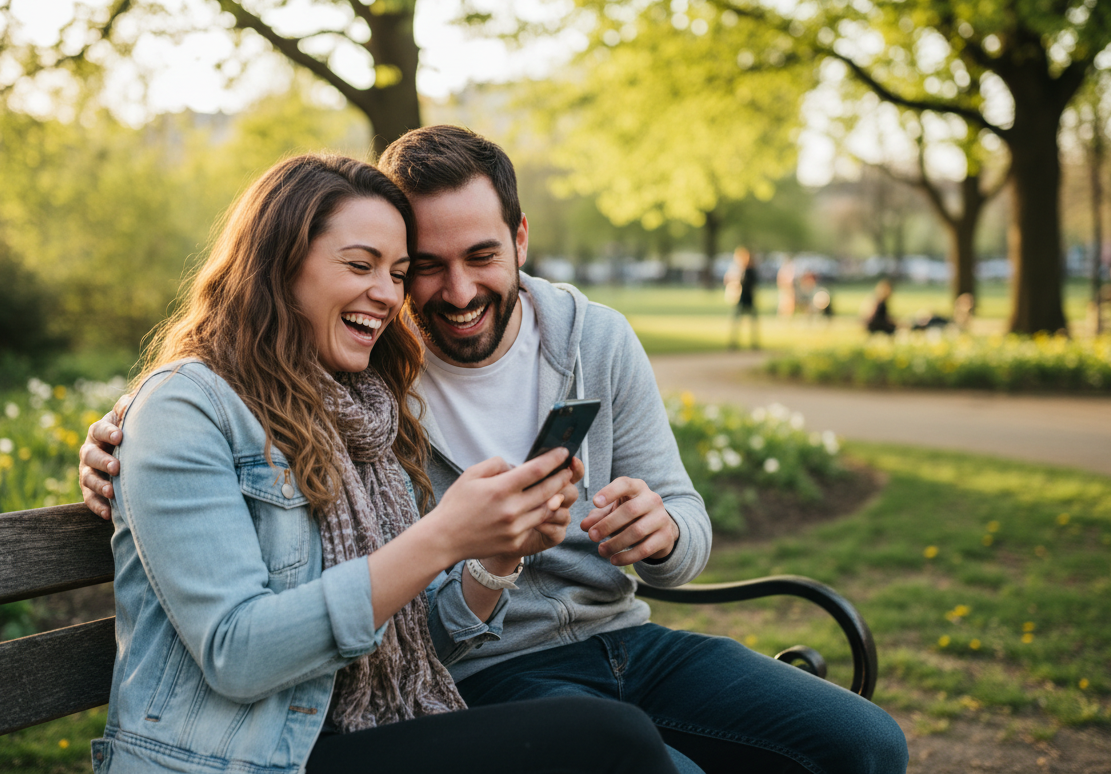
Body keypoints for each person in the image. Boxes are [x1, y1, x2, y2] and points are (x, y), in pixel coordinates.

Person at [82, 128, 908, 774]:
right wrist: (130, 422)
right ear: (284, 264)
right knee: (638, 755)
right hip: (482, 674)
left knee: (865, 748)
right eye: (417, 269)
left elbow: (681, 526)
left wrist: (657, 535)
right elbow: (221, 394)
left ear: (519, 236)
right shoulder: (376, 371)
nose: (454, 291)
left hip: (620, 635)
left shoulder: (576, 342)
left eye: (477, 257)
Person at [91, 153, 680, 774]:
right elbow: (238, 654)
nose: (387, 294)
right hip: (239, 756)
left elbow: (418, 641)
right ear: (277, 267)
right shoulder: (186, 407)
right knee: (609, 741)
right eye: (360, 265)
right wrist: (442, 535)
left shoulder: (361, 412)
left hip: (359, 729)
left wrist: (498, 554)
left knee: (616, 740)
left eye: (398, 272)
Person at [724, 246, 759, 350]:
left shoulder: (750, 271)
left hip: (747, 299)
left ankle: (752, 343)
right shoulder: (742, 270)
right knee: (738, 322)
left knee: (749, 322)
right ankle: (734, 342)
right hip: (742, 299)